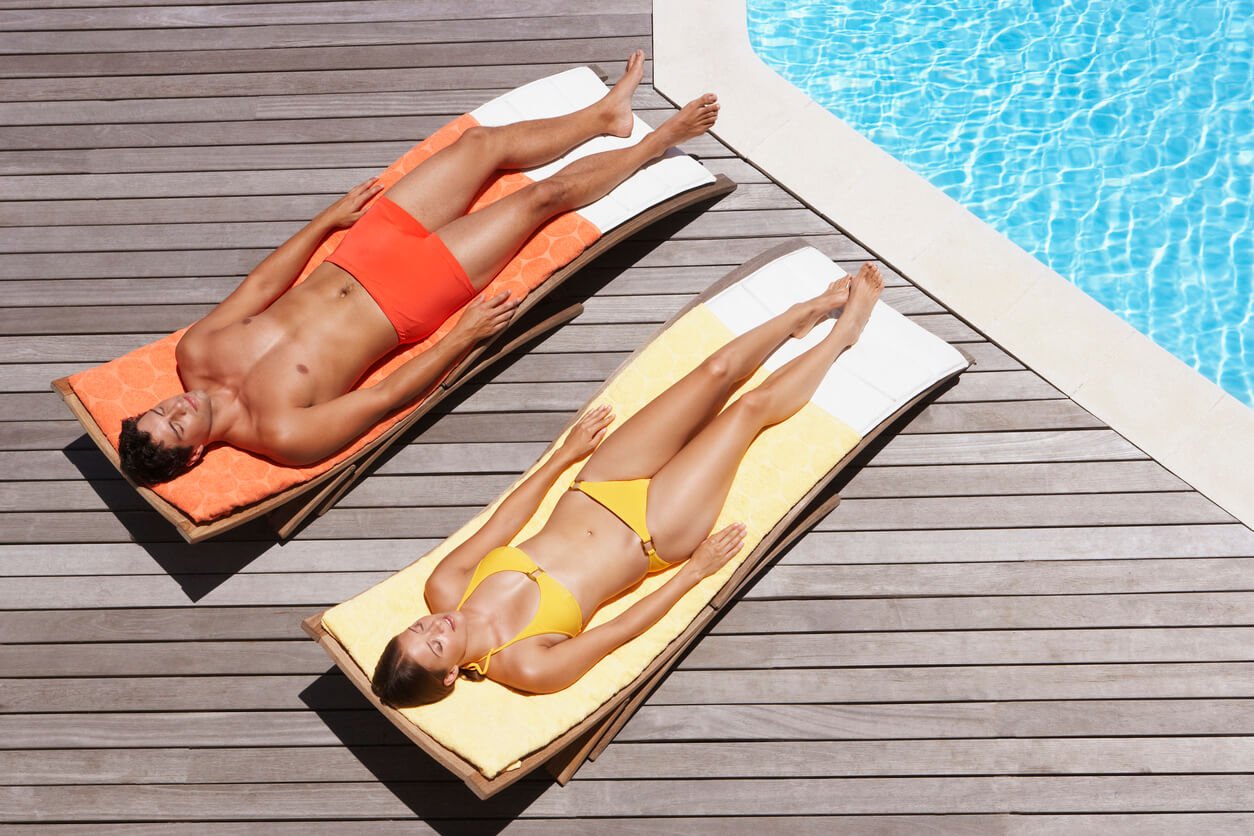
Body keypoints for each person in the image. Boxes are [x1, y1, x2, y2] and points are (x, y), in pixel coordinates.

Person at [118, 51, 720, 484]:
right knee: (540, 199)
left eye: (160, 410)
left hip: (360, 253)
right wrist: (462, 336)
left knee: (478, 147)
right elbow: (385, 398)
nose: (176, 408)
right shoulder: (283, 437)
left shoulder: (194, 354)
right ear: (195, 455)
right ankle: (653, 142)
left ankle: (604, 116)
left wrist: (325, 223)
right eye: (175, 427)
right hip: (410, 295)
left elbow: (262, 286)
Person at [371, 262, 885, 706]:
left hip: (597, 483)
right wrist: (692, 575)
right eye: (436, 644)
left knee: (715, 371)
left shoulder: (444, 588)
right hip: (656, 530)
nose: (438, 626)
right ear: (450, 675)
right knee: (746, 411)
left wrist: (563, 458)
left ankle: (805, 314)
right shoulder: (528, 667)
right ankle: (845, 334)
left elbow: (505, 521)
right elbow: (617, 632)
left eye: (418, 628)